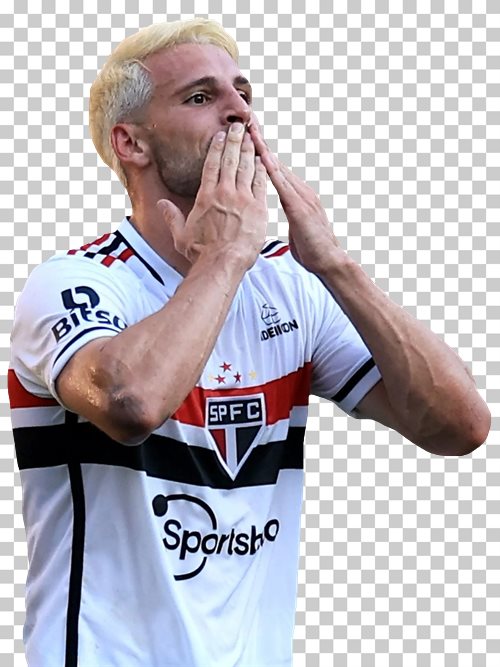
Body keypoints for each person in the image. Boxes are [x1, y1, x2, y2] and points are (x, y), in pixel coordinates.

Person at [8, 17, 490, 667]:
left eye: (244, 94)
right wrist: (227, 255)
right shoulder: (72, 283)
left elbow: (459, 426)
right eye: (202, 98)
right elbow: (131, 403)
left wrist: (338, 267)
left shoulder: (290, 288)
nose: (240, 113)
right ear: (132, 143)